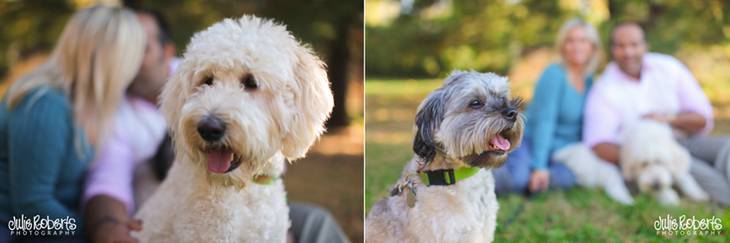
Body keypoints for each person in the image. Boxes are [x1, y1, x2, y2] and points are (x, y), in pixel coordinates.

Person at [0, 5, 145, 242]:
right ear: (115, 60)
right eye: (135, 54)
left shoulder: (88, 106)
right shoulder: (44, 106)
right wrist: (96, 231)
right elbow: (30, 211)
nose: (137, 65)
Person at [583, 22, 730, 206]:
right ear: (612, 50)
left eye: (634, 45)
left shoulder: (669, 68)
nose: (628, 52)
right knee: (712, 181)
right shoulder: (604, 89)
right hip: (655, 157)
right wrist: (644, 158)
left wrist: (667, 118)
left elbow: (701, 119)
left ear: (645, 46)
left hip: (689, 139)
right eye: (621, 46)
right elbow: (598, 143)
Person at [494, 18, 601, 194]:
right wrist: (539, 166)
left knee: (571, 178)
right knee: (517, 179)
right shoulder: (554, 74)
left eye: (583, 41)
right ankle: (485, 176)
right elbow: (545, 124)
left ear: (592, 47)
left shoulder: (589, 80)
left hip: (560, 151)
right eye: (570, 40)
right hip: (531, 141)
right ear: (562, 45)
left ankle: (535, 180)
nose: (576, 46)